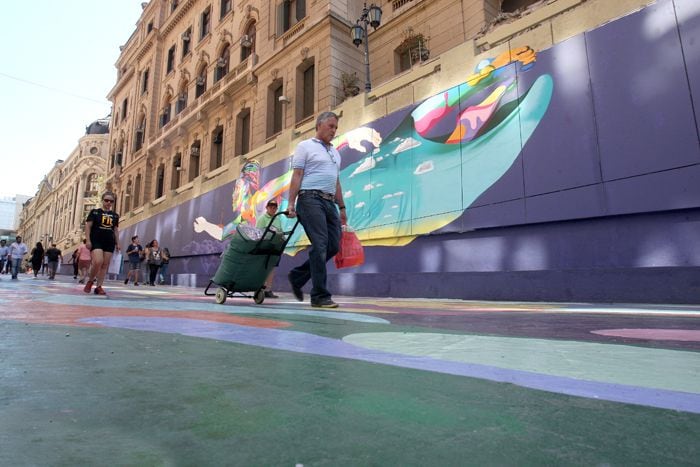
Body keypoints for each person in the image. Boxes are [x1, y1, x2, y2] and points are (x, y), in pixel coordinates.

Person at [286, 111, 347, 308]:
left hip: (329, 202)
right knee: (320, 244)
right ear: (319, 125)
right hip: (309, 199)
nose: (334, 130)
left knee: (333, 246)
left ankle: (297, 276)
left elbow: (336, 181)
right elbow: (297, 175)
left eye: (336, 127)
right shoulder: (305, 146)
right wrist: (290, 203)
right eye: (331, 126)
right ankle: (320, 296)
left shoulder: (335, 153)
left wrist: (342, 207)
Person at [84, 191, 120, 296]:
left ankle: (99, 287)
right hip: (96, 240)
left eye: (111, 201)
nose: (109, 203)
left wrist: (118, 243)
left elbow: (116, 230)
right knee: (98, 261)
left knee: (105, 265)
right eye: (106, 200)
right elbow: (88, 226)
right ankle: (90, 280)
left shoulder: (115, 215)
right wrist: (88, 240)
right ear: (102, 200)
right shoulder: (95, 212)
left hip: (109, 241)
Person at [256, 199, 283, 298]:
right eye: (271, 207)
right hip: (265, 246)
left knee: (271, 267)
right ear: (267, 207)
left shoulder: (277, 219)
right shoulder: (262, 219)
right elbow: (258, 233)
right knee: (263, 267)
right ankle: (260, 288)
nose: (273, 208)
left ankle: (268, 289)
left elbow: (280, 231)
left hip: (275, 246)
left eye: (275, 207)